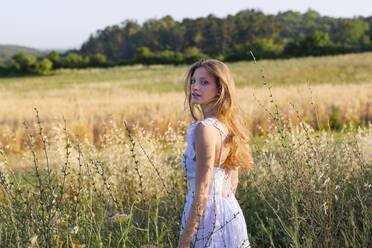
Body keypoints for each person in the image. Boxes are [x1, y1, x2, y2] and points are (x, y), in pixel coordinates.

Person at [178, 59, 254, 248]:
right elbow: (232, 184)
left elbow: (202, 191)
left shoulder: (205, 129)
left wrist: (184, 243)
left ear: (220, 89)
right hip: (230, 213)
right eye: (194, 81)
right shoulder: (229, 127)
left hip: (206, 218)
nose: (195, 87)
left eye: (204, 82)